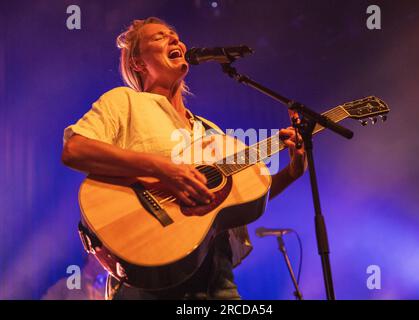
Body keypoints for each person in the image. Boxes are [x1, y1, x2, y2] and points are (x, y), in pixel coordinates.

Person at [62, 17, 307, 300]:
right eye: (159, 37)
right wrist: (162, 169)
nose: (174, 40)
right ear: (138, 63)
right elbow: (75, 150)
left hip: (217, 274)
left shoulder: (210, 131)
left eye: (175, 36)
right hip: (147, 268)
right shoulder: (126, 102)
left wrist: (292, 171)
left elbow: (238, 200)